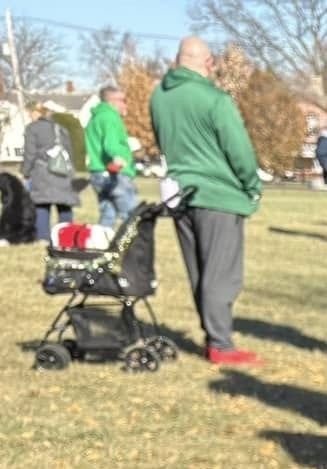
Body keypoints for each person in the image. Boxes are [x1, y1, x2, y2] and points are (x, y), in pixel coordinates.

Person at [151, 39, 264, 366]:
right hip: (218, 194)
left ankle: (212, 334)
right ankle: (221, 344)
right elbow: (238, 148)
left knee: (198, 269)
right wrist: (251, 185)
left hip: (179, 192)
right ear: (209, 62)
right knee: (221, 273)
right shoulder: (215, 100)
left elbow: (163, 139)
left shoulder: (159, 97)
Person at [84, 85, 138, 230]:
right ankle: (135, 249)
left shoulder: (95, 118)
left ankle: (102, 246)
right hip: (114, 174)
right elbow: (111, 143)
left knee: (108, 214)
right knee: (131, 215)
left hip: (97, 173)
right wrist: (118, 156)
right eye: (123, 100)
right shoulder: (110, 117)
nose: (125, 104)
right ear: (112, 101)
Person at [22, 105, 76, 243]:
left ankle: (43, 237)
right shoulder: (61, 129)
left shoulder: (32, 129)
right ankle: (67, 236)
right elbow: (70, 152)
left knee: (41, 204)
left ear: (36, 113)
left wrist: (25, 172)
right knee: (64, 204)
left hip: (42, 171)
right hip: (62, 170)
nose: (29, 116)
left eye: (30, 113)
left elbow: (30, 153)